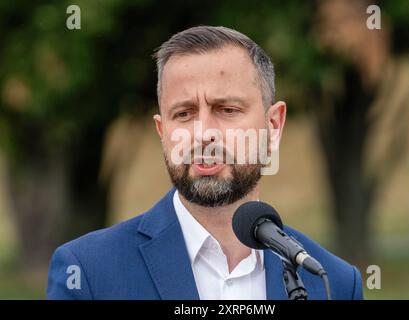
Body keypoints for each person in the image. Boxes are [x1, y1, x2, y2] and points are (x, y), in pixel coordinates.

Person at [47, 26, 363, 300]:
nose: (204, 134)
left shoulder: (332, 282)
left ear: (273, 125)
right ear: (162, 131)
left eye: (227, 110)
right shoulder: (87, 272)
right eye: (183, 114)